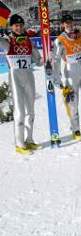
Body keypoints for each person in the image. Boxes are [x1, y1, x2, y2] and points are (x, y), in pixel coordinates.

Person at [0, 14, 42, 154]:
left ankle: (29, 140)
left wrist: (46, 60)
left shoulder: (28, 41)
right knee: (20, 111)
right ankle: (19, 144)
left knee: (30, 111)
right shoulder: (7, 41)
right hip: (15, 77)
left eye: (21, 25)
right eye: (16, 25)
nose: (19, 27)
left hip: (29, 77)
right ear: (11, 26)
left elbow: (38, 60)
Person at [53, 14, 81, 141]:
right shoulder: (60, 40)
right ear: (63, 25)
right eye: (66, 23)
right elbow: (56, 60)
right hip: (70, 72)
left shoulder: (80, 36)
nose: (69, 25)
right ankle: (75, 128)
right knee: (73, 102)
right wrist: (57, 77)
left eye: (71, 22)